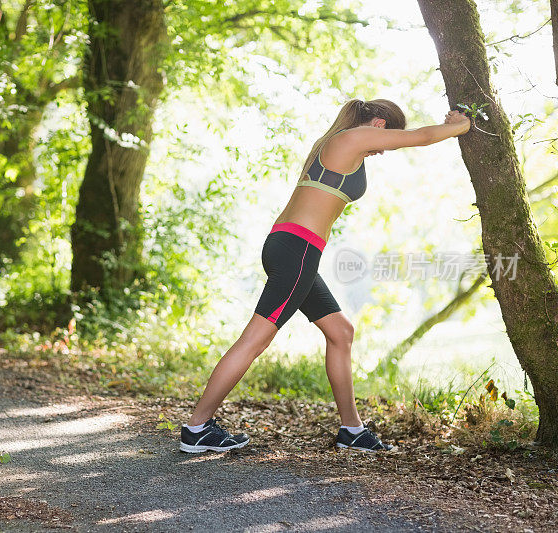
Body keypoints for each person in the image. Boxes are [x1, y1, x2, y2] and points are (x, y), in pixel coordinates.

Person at [179, 99, 471, 453]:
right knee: (255, 339)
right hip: (297, 251)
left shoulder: (337, 143)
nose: (382, 151)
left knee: (340, 331)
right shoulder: (353, 138)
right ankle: (197, 428)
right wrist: (461, 124)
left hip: (290, 248)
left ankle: (352, 430)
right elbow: (423, 137)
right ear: (378, 124)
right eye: (386, 138)